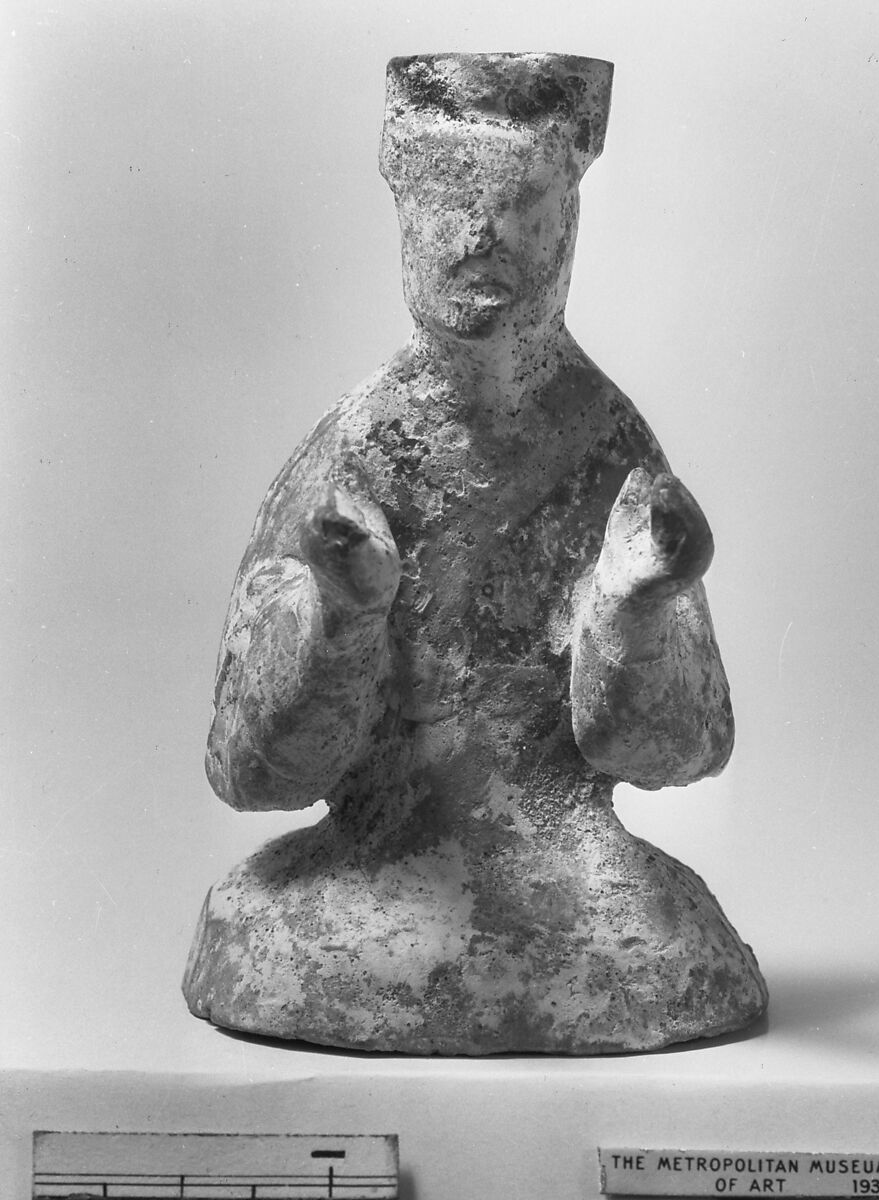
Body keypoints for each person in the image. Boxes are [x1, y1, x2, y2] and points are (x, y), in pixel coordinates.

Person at [184, 53, 766, 1053]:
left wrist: (632, 609)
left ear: (566, 221)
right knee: (289, 934)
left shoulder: (603, 445)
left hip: (565, 857)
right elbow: (250, 769)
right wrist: (339, 614)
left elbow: (681, 746)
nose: (478, 236)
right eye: (445, 202)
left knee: (669, 949)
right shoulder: (357, 451)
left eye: (517, 204)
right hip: (379, 857)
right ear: (402, 217)